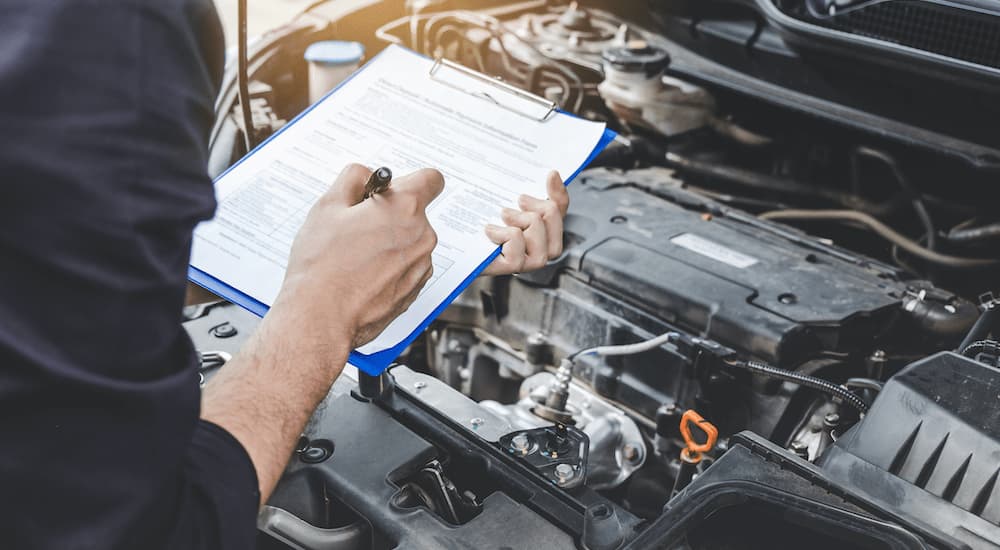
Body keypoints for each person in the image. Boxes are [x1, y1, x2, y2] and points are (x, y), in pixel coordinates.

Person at [0, 1, 569, 548]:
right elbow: (135, 533)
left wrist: (429, 258)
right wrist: (325, 302)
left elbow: (46, 274)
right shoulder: (99, 25)